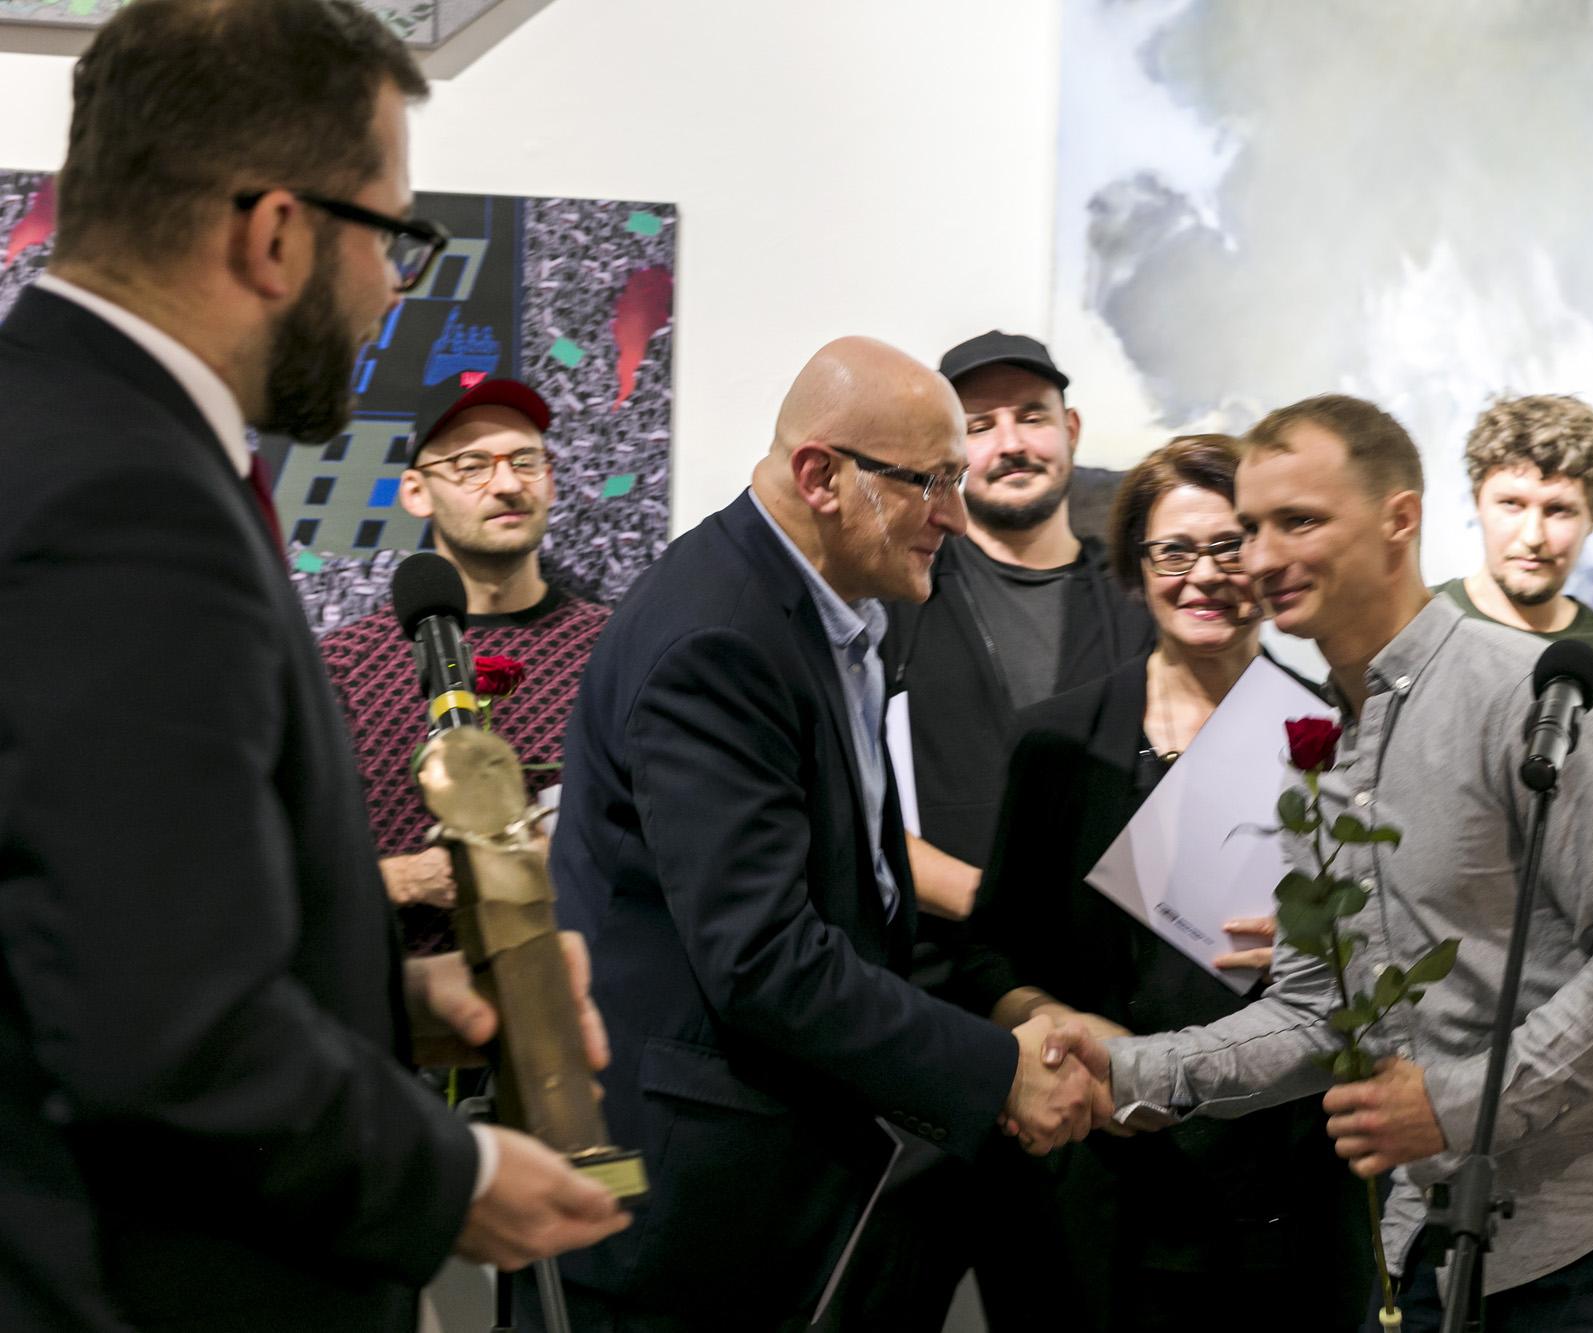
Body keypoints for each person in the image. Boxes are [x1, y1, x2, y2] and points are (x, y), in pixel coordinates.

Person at [0, 4, 627, 1330]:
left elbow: (82, 929)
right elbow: (162, 1030)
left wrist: (388, 999)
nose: (394, 289)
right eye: (390, 235)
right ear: (277, 234)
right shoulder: (127, 496)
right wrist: (453, 1175)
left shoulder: (63, 429)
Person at [1086, 394, 1593, 1331]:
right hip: (1433, 1243)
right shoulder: (1316, 746)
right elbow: (1318, 1010)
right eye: (1252, 527)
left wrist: (1459, 1104)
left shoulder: (1525, 693)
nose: (1261, 557)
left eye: (1299, 521)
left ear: (1401, 520)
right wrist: (1126, 1072)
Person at [542, 336, 1107, 1332]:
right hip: (688, 1218)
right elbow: (762, 957)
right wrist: (994, 1069)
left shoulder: (830, 614)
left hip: (770, 1183)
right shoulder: (719, 638)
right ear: (821, 476)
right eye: (931, 481)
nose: (954, 514)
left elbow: (855, 904)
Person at [955, 435, 1372, 1331]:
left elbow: (1397, 960)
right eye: (1174, 551)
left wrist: (1334, 949)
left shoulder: (1336, 739)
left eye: (1230, 545)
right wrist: (1056, 1023)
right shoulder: (1058, 741)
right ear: (1137, 569)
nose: (1204, 574)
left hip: (1278, 1196)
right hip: (1091, 1193)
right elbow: (985, 955)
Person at [858, 330, 1155, 1332]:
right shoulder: (899, 597)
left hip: (1093, 1056)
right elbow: (853, 814)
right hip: (930, 1042)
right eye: (979, 426)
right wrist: (989, 903)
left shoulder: (1137, 604)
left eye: (1031, 416)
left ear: (1071, 430)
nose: (1010, 442)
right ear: (949, 455)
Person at [320, 374, 609, 954]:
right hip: (410, 997)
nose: (507, 484)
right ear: (416, 492)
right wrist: (409, 878)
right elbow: (283, 871)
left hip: (584, 991)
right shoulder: (346, 668)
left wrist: (577, 858)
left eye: (526, 461)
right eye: (471, 465)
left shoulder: (614, 649)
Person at [1437, 393, 1593, 853]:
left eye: (1558, 510)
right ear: (1477, 502)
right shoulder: (1416, 624)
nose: (1533, 536)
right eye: (1511, 504)